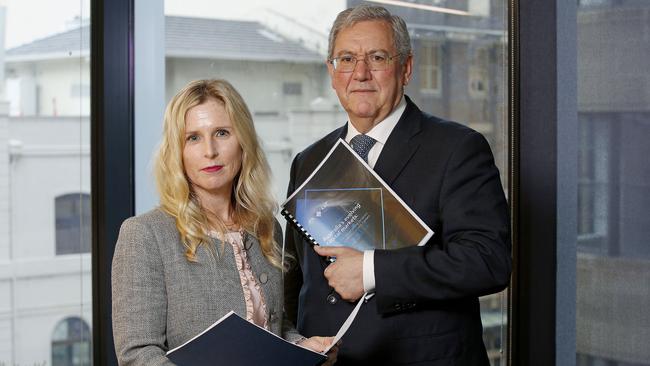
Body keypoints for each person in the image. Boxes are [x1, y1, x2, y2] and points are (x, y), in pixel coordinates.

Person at [284, 5, 511, 365]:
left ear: (405, 68)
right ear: (331, 71)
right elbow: (297, 281)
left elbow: (487, 261)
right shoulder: (309, 160)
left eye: (376, 57)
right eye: (346, 59)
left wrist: (371, 271)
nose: (360, 73)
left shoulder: (457, 149)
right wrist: (293, 344)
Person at [112, 79, 337, 365]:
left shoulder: (267, 228)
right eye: (192, 137)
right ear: (177, 152)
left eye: (221, 133)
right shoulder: (145, 235)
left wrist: (303, 346)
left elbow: (274, 329)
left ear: (243, 141)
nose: (210, 151)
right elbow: (137, 355)